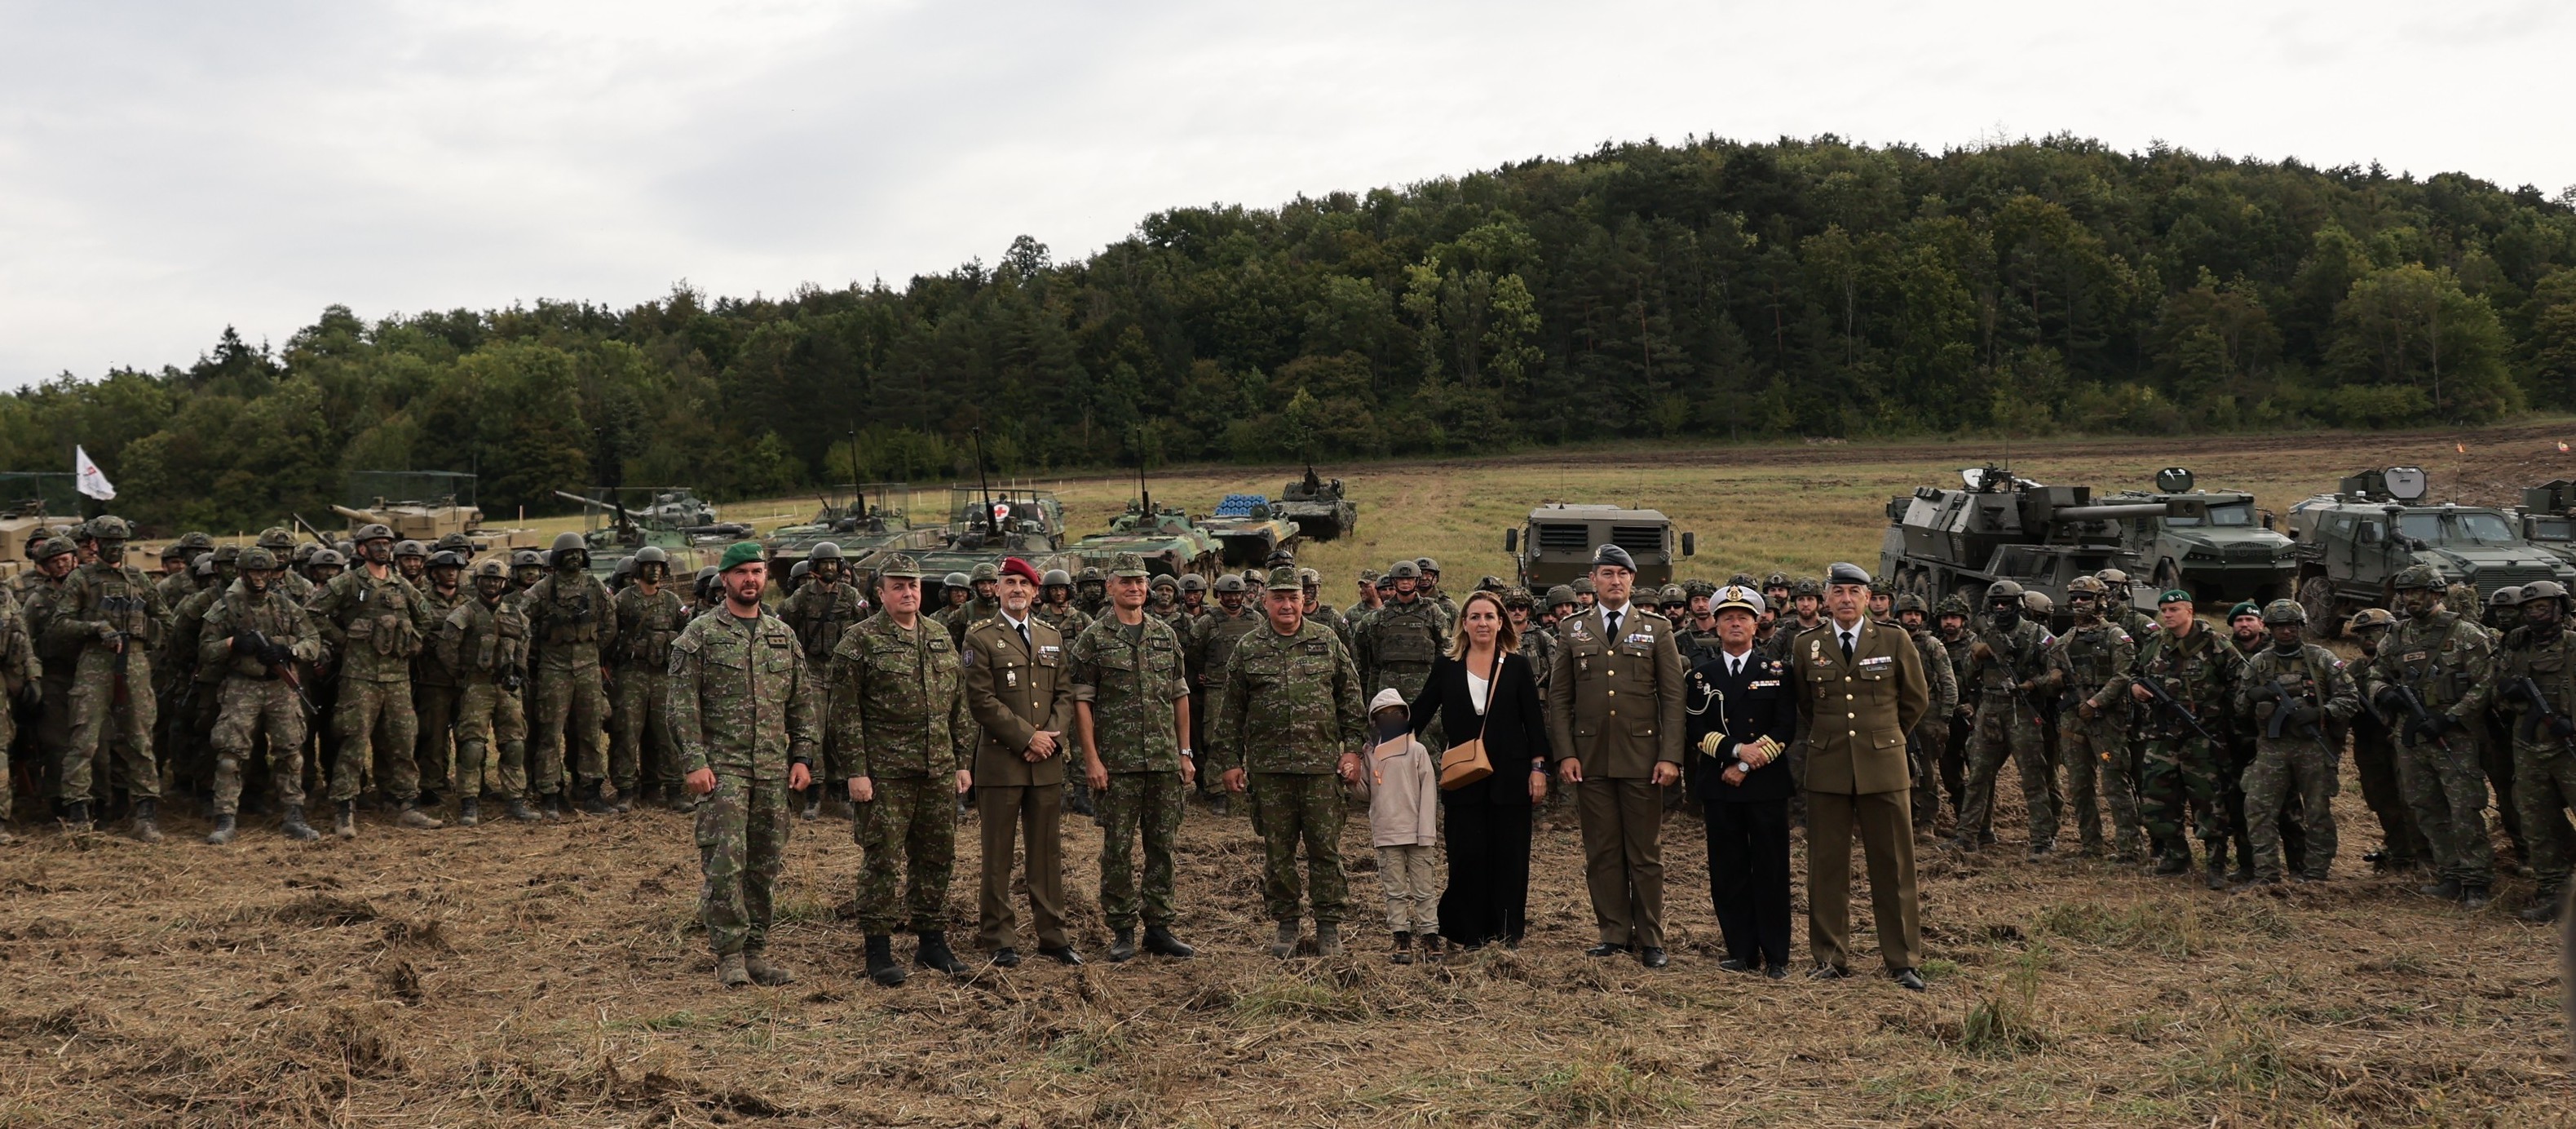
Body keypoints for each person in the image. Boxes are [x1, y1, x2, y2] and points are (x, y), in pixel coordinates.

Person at [665, 542, 822, 989]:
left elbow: (801, 702)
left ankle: (755, 951)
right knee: (724, 864)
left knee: (764, 864)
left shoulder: (781, 634)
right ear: (726, 579)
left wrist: (803, 756)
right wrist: (694, 762)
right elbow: (681, 707)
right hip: (724, 770)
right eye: (741, 573)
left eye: (757, 572)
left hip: (774, 770)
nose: (750, 580)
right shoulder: (699, 635)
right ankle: (729, 955)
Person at [1208, 565, 1368, 959]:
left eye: (1292, 598)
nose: (1286, 605)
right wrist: (1229, 762)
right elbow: (1230, 713)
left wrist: (1352, 749)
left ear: (1303, 600)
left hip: (1320, 769)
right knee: (1278, 852)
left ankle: (1329, 926)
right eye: (1278, 598)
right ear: (1263, 602)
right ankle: (1287, 924)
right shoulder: (1248, 648)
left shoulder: (1327, 641)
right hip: (1270, 771)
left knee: (1324, 850)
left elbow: (1351, 702)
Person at [834, 552, 974, 986]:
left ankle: (931, 941)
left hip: (937, 770)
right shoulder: (858, 642)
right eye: (897, 586)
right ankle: (877, 949)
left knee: (936, 857)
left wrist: (962, 762)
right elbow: (843, 716)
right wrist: (856, 772)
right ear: (880, 593)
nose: (907, 592)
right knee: (882, 860)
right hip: (886, 775)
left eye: (912, 585)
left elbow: (959, 705)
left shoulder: (938, 636)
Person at [1789, 562, 1930, 990]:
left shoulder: (1893, 638)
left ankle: (1903, 959)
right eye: (1839, 592)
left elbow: (1915, 700)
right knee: (1827, 867)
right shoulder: (1806, 645)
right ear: (1826, 600)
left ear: (1869, 599)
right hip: (1829, 766)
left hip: (1883, 767)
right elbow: (1805, 706)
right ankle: (1830, 957)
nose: (1846, 599)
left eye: (1855, 591)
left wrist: (1885, 739)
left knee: (1894, 865)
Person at [1546, 543, 1685, 968]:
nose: (1615, 581)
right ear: (1593, 580)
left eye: (1622, 574)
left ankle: (1651, 940)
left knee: (1644, 853)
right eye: (1607, 573)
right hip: (1590, 759)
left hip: (1644, 758)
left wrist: (1670, 756)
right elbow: (1559, 699)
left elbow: (1673, 698)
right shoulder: (1573, 629)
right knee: (1602, 851)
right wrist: (1566, 754)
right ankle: (1613, 934)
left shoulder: (1657, 629)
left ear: (1632, 580)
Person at [1069, 551, 1197, 962]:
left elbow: (1180, 697)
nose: (1136, 588)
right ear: (1110, 587)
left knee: (1162, 845)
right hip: (1117, 764)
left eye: (1140, 581)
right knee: (1118, 848)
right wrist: (1091, 759)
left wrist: (1185, 753)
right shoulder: (1094, 638)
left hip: (1162, 761)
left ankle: (1158, 927)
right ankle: (1122, 928)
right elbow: (1082, 703)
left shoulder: (1165, 635)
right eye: (1126, 581)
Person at [1407, 589, 1549, 951]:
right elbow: (1419, 712)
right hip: (1463, 778)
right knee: (1467, 853)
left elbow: (1534, 723)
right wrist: (1384, 745)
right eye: (1475, 617)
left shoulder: (1515, 665)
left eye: (1489, 616)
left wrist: (1538, 769)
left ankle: (1506, 932)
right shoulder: (1447, 666)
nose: (1482, 623)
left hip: (1511, 777)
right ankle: (1467, 932)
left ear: (1501, 622)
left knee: (1510, 855)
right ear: (1464, 624)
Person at [961, 556, 1080, 967]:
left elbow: (1064, 694)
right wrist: (1028, 737)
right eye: (1008, 582)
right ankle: (999, 939)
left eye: (1023, 584)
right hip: (1000, 764)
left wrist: (1049, 737)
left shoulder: (1051, 635)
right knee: (997, 855)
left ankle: (1053, 935)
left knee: (1046, 855)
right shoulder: (979, 637)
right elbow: (980, 701)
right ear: (997, 588)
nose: (1016, 590)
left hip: (1046, 764)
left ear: (1035, 591)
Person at [2360, 564, 2497, 909]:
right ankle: (2450, 873)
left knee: (2464, 808)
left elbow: (2485, 685)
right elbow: (2374, 673)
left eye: (2416, 592)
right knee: (2425, 807)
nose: (2408, 599)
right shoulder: (2396, 636)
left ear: (2436, 594)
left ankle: (2476, 880)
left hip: (2453, 736)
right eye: (2404, 593)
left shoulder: (2467, 635)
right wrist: (2382, 692)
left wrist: (2451, 717)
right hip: (2412, 737)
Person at [1682, 585, 1796, 977]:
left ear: (1756, 624)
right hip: (1720, 786)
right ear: (1714, 624)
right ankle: (1741, 950)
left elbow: (1785, 727)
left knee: (1771, 870)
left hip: (1764, 786)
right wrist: (1733, 752)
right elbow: (1696, 727)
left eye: (1743, 617)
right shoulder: (1700, 676)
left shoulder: (1777, 672)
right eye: (1728, 616)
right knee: (1728, 871)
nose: (1735, 622)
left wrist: (1748, 763)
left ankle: (1777, 955)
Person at [305, 521, 441, 838]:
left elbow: (427, 617)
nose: (382, 548)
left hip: (397, 680)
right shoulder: (348, 582)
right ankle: (344, 809)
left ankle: (406, 805)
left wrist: (413, 641)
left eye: (387, 543)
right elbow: (311, 613)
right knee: (353, 742)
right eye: (375, 543)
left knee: (402, 743)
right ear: (362, 549)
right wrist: (343, 640)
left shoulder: (401, 585)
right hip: (359, 678)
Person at [48, 515, 170, 839]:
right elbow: (60, 625)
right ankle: (78, 814)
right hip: (94, 664)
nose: (115, 549)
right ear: (94, 544)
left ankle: (145, 813)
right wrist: (96, 628)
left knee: (141, 739)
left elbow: (166, 622)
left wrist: (145, 644)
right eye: (109, 543)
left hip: (135, 664)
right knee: (83, 739)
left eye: (120, 543)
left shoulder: (138, 578)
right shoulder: (81, 579)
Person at [2460, 581, 2576, 921]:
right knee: (2538, 823)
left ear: (2560, 609)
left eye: (2542, 608)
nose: (2535, 615)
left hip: (2568, 746)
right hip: (2528, 747)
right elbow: (2494, 695)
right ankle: (2553, 891)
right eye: (2529, 610)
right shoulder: (2514, 646)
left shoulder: (2572, 646)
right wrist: (2507, 691)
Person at [197, 547, 323, 843]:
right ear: (241, 573)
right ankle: (225, 818)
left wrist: (288, 649)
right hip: (242, 686)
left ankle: (294, 815)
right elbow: (204, 650)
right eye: (253, 572)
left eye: (264, 572)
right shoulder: (224, 608)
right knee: (230, 754)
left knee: (291, 752)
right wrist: (231, 643)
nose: (258, 578)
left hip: (281, 686)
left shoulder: (285, 606)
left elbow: (313, 640)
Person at [2234, 600, 2357, 884]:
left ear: (2300, 627)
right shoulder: (2260, 662)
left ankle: (2315, 873)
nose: (2286, 632)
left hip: (2312, 747)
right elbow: (2240, 705)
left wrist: (2321, 712)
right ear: (2269, 629)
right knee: (2259, 809)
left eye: (2291, 626)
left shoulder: (2322, 659)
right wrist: (2255, 696)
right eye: (2279, 627)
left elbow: (2350, 699)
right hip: (2272, 748)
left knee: (2317, 812)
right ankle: (2266, 874)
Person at [2129, 590, 2246, 888]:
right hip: (2161, 735)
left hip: (2202, 738)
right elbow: (2134, 673)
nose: (2167, 615)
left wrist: (2226, 722)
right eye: (2164, 610)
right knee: (2158, 800)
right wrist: (2135, 689)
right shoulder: (2155, 644)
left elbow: (2241, 682)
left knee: (2209, 802)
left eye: (2174, 609)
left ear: (2189, 610)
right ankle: (2175, 856)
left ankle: (2216, 864)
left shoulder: (2215, 644)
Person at [2039, 576, 2141, 861]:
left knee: (2114, 782)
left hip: (2106, 720)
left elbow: (2123, 676)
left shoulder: (2115, 636)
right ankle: (2090, 845)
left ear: (2099, 600)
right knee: (2080, 785)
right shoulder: (2064, 641)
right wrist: (2054, 679)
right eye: (2075, 598)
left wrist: (2097, 701)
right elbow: (2049, 679)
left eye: (2085, 597)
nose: (2079, 602)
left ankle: (2130, 847)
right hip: (2073, 720)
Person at [1956, 579, 2057, 858]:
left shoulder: (2037, 634)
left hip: (2022, 711)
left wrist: (2033, 685)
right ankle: (1967, 836)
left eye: (2008, 604)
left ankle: (2042, 840)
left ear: (2019, 605)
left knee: (2033, 779)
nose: (2001, 609)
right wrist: (1976, 656)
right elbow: (1967, 676)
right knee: (1978, 775)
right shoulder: (1983, 635)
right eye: (1996, 604)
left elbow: (2058, 675)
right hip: (1990, 708)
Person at [522, 532, 618, 816]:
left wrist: (592, 648)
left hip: (588, 669)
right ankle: (550, 793)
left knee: (590, 731)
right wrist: (534, 650)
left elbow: (610, 621)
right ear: (557, 558)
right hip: (554, 669)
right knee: (549, 733)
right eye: (568, 553)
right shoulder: (544, 588)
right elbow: (518, 615)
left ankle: (590, 790)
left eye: (578, 553)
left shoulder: (594, 586)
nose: (574, 557)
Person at [440, 559, 537, 824]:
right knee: (472, 746)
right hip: (477, 687)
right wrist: (463, 675)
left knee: (514, 744)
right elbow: (447, 648)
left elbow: (524, 646)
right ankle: (469, 802)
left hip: (508, 687)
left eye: (497, 580)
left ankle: (515, 799)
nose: (492, 583)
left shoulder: (515, 614)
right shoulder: (465, 613)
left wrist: (518, 672)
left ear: (505, 583)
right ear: (478, 581)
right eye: (487, 579)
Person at [1359, 688, 1440, 963]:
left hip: (1418, 835)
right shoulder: (1370, 755)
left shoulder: (1417, 751)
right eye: (1384, 716)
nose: (1391, 719)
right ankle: (1401, 938)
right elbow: (1364, 793)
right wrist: (1350, 776)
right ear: (1374, 721)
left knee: (1423, 890)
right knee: (1394, 891)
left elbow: (1429, 794)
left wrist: (1426, 832)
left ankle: (1430, 937)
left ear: (1405, 716)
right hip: (1386, 833)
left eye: (1396, 714)